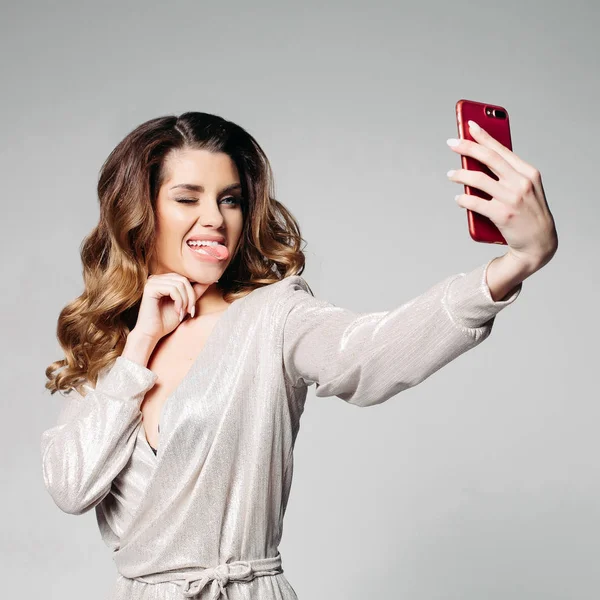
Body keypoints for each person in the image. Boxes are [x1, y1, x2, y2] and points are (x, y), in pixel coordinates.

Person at [40, 112, 557, 600]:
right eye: (186, 198)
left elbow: (373, 352)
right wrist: (138, 347)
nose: (214, 219)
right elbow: (70, 486)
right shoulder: (112, 349)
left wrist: (514, 264)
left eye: (230, 200)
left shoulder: (273, 318)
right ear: (140, 212)